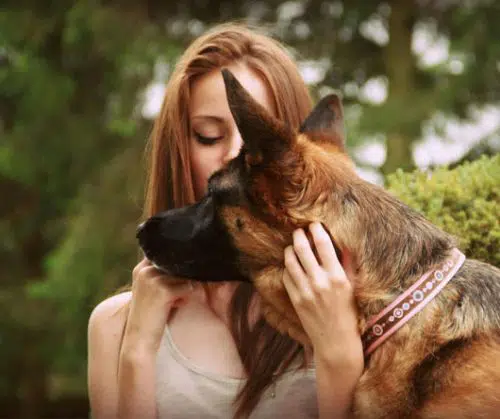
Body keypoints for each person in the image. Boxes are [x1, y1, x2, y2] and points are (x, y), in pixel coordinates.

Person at [87, 22, 363, 419]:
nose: (237, 154)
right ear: (178, 151)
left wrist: (339, 350)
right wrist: (138, 348)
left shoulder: (351, 302)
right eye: (209, 136)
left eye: (260, 139)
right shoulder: (114, 324)